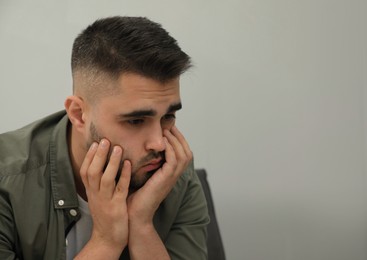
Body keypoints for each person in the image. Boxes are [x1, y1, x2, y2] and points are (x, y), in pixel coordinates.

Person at [0, 16, 209, 260]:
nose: (159, 143)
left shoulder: (175, 175)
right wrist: (106, 241)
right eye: (135, 121)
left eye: (168, 116)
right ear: (79, 115)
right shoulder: (7, 181)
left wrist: (141, 224)